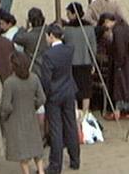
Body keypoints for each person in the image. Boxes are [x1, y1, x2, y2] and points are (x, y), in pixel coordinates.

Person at [39, 24, 81, 174]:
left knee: (56, 130)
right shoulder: (69, 49)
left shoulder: (48, 55)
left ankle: (55, 165)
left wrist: (45, 95)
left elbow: (46, 80)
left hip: (54, 94)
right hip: (68, 91)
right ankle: (75, 160)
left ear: (51, 36)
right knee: (71, 125)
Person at [1, 51, 45, 174]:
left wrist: (4, 117)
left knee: (23, 152)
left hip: (16, 120)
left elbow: (6, 106)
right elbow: (42, 98)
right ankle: (41, 171)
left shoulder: (9, 83)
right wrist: (33, 106)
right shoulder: (34, 78)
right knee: (36, 147)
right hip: (31, 117)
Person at [99, 12, 129, 121]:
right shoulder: (126, 27)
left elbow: (120, 49)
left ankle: (117, 112)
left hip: (123, 63)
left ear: (107, 22)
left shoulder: (117, 31)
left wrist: (118, 62)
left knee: (120, 87)